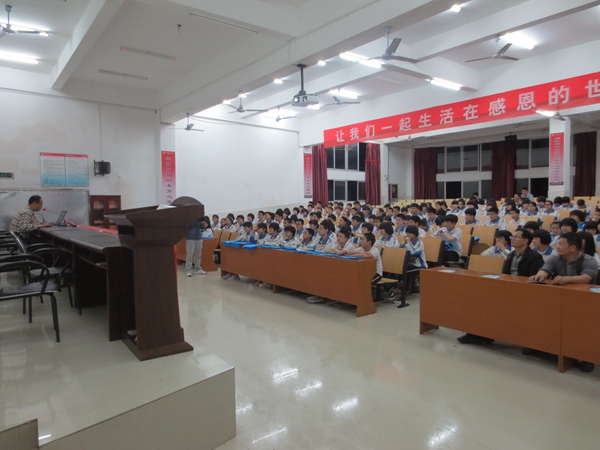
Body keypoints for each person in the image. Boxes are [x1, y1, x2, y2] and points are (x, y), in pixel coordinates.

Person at [457, 229, 544, 345]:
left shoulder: (534, 257)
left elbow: (533, 280)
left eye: (516, 237)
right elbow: (505, 274)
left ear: (525, 240)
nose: (512, 239)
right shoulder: (511, 255)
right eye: (512, 237)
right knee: (479, 298)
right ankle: (477, 334)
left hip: (524, 291)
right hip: (508, 287)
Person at [528, 232, 598, 372]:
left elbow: (586, 278)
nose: (557, 247)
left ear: (573, 248)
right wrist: (539, 276)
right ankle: (539, 345)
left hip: (583, 302)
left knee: (582, 326)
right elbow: (545, 270)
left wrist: (566, 279)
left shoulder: (589, 260)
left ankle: (585, 356)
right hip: (560, 298)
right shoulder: (555, 258)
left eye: (561, 244)